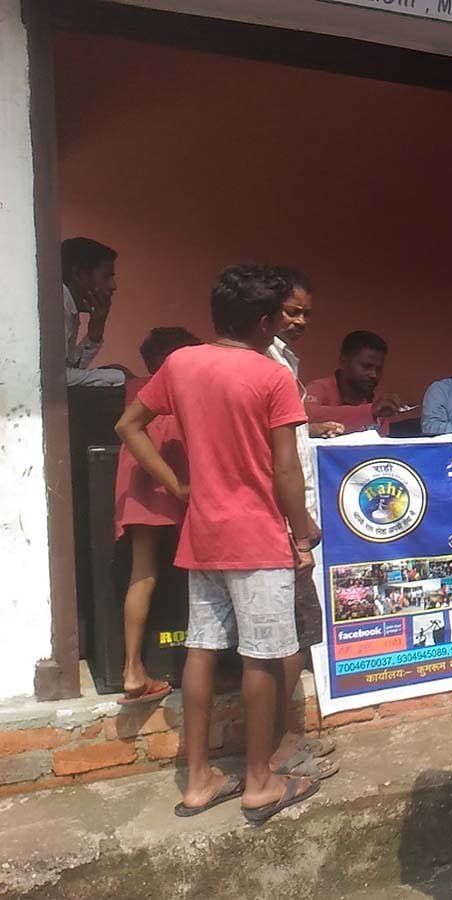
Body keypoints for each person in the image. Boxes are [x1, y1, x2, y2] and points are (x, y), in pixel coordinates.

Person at [115, 264, 320, 825]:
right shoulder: (272, 376)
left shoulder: (181, 363)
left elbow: (129, 426)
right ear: (263, 321)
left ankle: (198, 779)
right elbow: (284, 470)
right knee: (263, 655)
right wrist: (302, 531)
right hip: (258, 536)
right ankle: (259, 781)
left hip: (202, 532)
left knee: (201, 649)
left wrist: (177, 484)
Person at [265, 267, 338, 783]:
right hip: (284, 519)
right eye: (292, 312)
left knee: (295, 633)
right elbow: (276, 453)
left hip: (294, 512)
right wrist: (299, 524)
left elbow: (285, 429)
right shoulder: (264, 362)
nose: (300, 321)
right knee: (286, 638)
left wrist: (312, 425)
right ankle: (279, 747)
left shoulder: (284, 359)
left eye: (306, 313)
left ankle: (286, 738)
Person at [114, 327, 202, 704]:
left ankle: (132, 668)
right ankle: (209, 663)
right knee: (199, 572)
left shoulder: (135, 389)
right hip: (179, 482)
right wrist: (178, 486)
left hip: (139, 487)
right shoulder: (184, 391)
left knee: (143, 574)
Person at [305, 330, 407, 431]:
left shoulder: (377, 399)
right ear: (343, 362)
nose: (374, 375)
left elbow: (382, 438)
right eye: (366, 366)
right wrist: (369, 411)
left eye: (379, 369)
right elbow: (306, 416)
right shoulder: (319, 388)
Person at [62, 237, 125, 386]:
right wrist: (119, 377)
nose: (113, 286)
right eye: (106, 277)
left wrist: (94, 333)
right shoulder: (56, 305)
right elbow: (56, 378)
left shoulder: (70, 307)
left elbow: (72, 370)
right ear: (79, 275)